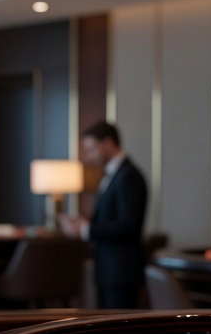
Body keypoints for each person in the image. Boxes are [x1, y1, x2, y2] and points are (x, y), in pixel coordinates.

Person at [59, 121, 148, 308]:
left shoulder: (128, 176)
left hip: (121, 272)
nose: (89, 156)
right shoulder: (114, 174)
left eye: (92, 149)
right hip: (108, 271)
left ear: (108, 143)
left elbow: (128, 226)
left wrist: (85, 230)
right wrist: (84, 222)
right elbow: (109, 218)